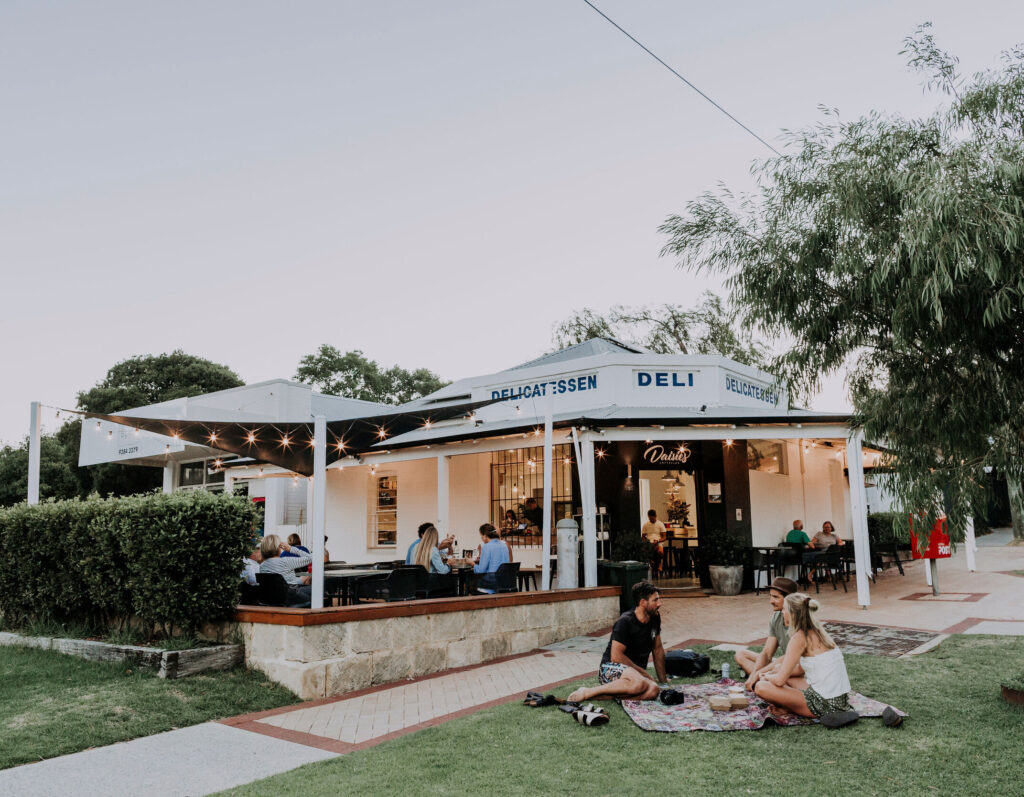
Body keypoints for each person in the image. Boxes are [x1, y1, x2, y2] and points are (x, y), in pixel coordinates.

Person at [752, 593, 856, 723]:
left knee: (761, 686)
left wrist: (766, 676)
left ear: (792, 614)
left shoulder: (799, 638)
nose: (782, 612)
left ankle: (791, 708)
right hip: (840, 702)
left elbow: (779, 681)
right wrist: (774, 672)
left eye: (784, 609)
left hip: (824, 705)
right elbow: (800, 670)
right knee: (788, 677)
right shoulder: (818, 631)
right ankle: (789, 707)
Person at [566, 581, 668, 703]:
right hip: (609, 668)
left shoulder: (655, 618)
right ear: (642, 602)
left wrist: (663, 682)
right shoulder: (625, 622)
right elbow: (616, 657)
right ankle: (588, 691)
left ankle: (607, 697)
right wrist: (645, 674)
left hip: (634, 674)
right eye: (655, 600)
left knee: (653, 690)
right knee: (639, 682)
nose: (659, 604)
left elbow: (657, 649)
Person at [734, 576, 799, 686]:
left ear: (789, 599)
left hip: (797, 666)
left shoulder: (800, 621)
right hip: (781, 663)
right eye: (770, 596)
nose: (771, 601)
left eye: (775, 597)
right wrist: (755, 673)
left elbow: (790, 658)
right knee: (741, 654)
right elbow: (767, 653)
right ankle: (762, 679)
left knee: (781, 675)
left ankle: (764, 680)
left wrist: (759, 673)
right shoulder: (776, 617)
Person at [258, 534, 313, 606]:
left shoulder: (262, 566)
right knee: (317, 591)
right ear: (278, 547)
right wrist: (291, 549)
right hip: (290, 597)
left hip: (273, 598)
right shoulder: (286, 561)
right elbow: (311, 558)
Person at [471, 523, 510, 593]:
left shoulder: (486, 546)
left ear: (485, 536)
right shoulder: (504, 545)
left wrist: (472, 564)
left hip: (492, 583)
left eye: (481, 535)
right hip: (505, 582)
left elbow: (481, 570)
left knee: (469, 583)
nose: (481, 538)